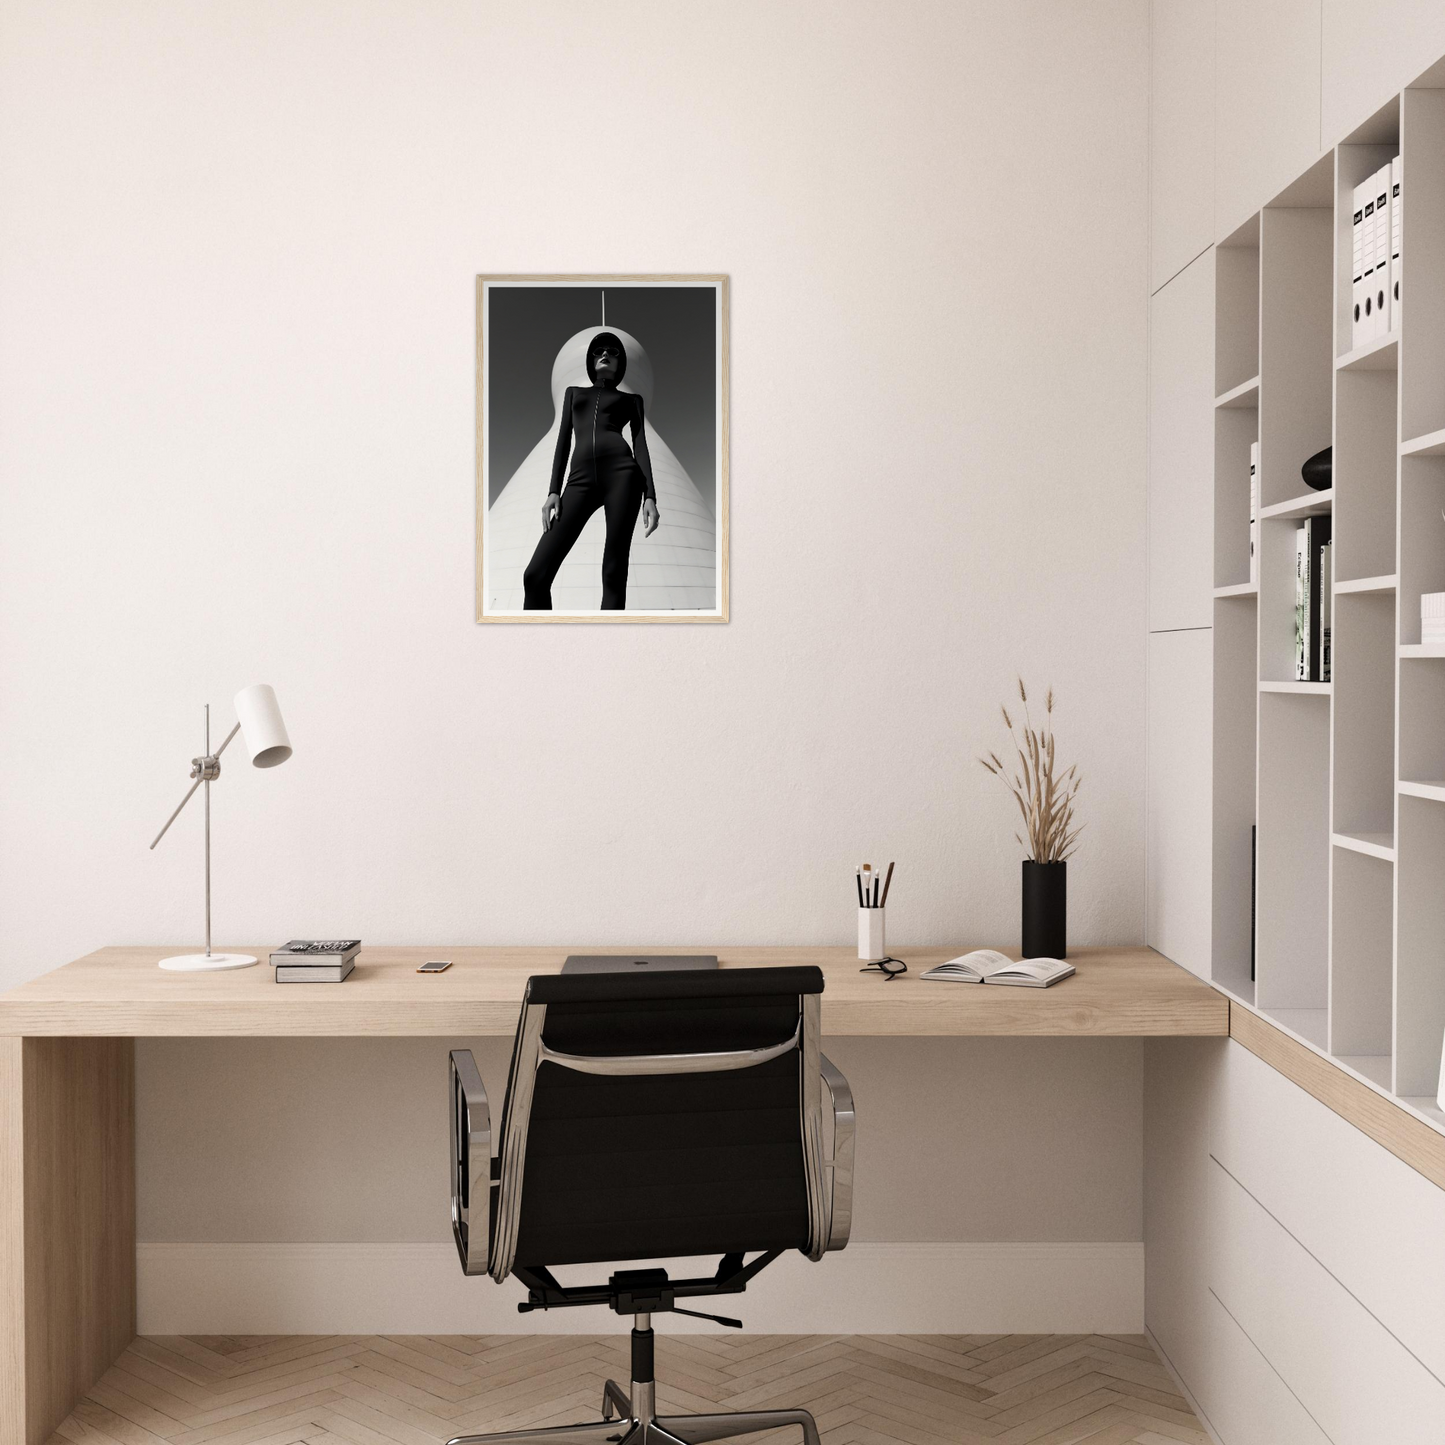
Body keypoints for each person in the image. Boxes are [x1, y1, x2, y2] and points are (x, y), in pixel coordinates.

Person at [522, 332, 660, 610]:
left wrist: (650, 497)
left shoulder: (633, 400)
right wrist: (553, 491)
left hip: (623, 477)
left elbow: (640, 445)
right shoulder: (574, 394)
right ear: (591, 359)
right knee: (534, 575)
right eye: (598, 351)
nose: (604, 354)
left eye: (612, 351)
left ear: (621, 362)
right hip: (579, 482)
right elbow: (562, 442)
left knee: (614, 571)